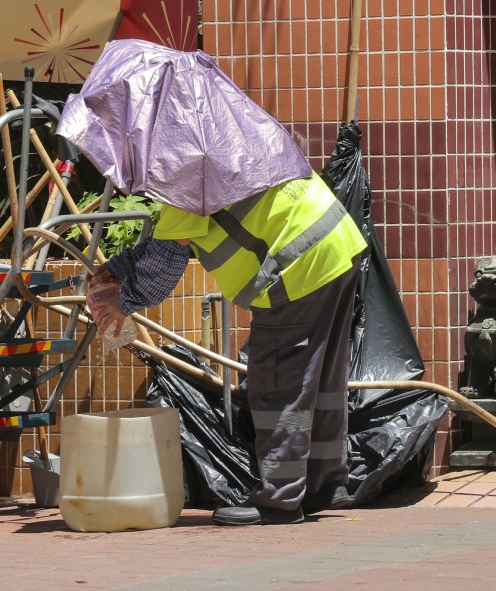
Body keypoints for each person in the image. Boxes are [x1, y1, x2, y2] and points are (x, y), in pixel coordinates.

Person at [89, 173, 368, 526]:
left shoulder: (185, 173)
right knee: (323, 377)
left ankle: (279, 500)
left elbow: (165, 262)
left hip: (294, 263)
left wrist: (123, 302)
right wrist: (117, 268)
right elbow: (167, 239)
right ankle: (325, 483)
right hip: (335, 241)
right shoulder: (223, 146)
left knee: (277, 384)